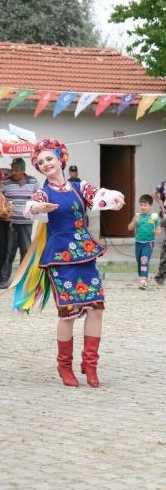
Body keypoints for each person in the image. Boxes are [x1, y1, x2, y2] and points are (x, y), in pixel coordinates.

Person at [10, 139, 125, 387]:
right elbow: (30, 208)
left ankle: (91, 365)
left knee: (96, 308)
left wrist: (114, 197)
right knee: (68, 313)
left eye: (49, 159)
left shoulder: (78, 186)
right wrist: (38, 206)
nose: (45, 164)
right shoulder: (43, 192)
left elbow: (99, 196)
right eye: (40, 162)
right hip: (60, 258)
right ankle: (65, 367)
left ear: (61, 158)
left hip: (85, 254)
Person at [0, 158, 37, 288]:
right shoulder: (6, 182)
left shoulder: (33, 181)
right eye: (12, 169)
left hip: (26, 223)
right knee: (8, 251)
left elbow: (37, 198)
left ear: (22, 171)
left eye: (16, 170)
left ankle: (24, 278)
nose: (13, 172)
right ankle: (3, 280)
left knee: (26, 250)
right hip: (9, 223)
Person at [127, 194, 160, 289]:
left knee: (144, 260)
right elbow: (129, 228)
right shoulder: (137, 216)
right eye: (141, 205)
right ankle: (142, 277)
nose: (143, 207)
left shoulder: (154, 217)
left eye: (145, 205)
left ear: (150, 205)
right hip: (138, 243)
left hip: (148, 243)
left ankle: (143, 280)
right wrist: (134, 222)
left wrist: (157, 230)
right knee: (139, 261)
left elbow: (158, 230)